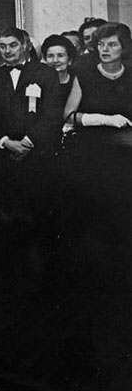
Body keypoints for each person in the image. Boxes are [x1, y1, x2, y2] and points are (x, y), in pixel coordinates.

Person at [0, 27, 63, 223]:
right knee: (7, 219)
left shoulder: (46, 74)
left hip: (37, 157)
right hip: (3, 158)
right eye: (2, 46)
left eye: (13, 45)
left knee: (40, 217)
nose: (8, 51)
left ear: (25, 46)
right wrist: (6, 142)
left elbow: (52, 115)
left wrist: (26, 143)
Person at [61, 22, 132, 243]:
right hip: (92, 153)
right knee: (95, 220)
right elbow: (69, 115)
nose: (105, 49)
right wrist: (105, 120)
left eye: (112, 44)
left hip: (125, 155)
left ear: (125, 48)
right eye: (101, 44)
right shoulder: (84, 74)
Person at [41, 34, 77, 106]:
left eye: (60, 56)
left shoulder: (77, 81)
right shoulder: (38, 82)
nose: (55, 60)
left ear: (69, 60)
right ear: (45, 59)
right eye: (50, 56)